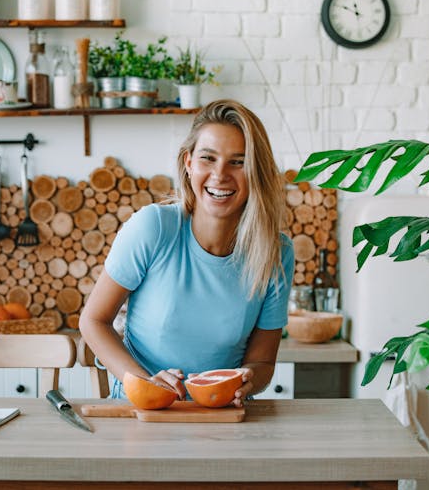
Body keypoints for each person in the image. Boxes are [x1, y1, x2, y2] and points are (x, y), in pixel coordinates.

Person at [79, 99, 294, 407]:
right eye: (208, 158)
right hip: (141, 408)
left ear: (256, 172)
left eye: (238, 162)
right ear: (188, 162)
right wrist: (141, 380)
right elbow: (93, 321)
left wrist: (248, 380)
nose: (220, 175)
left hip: (221, 414)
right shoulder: (153, 228)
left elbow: (262, 363)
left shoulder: (276, 253)